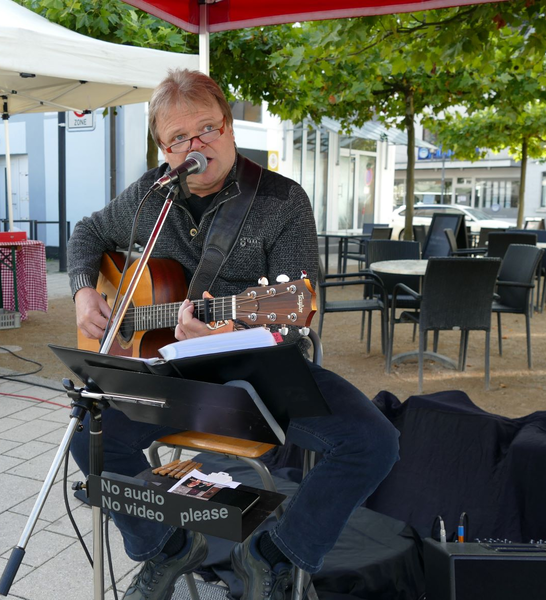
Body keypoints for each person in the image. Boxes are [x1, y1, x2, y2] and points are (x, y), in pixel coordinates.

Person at [67, 69, 399, 600]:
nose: (196, 145)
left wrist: (233, 327)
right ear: (164, 148)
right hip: (174, 374)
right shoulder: (150, 197)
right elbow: (87, 231)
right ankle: (167, 550)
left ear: (230, 128)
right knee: (91, 441)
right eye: (179, 138)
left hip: (260, 373)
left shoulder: (282, 201)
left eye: (208, 129)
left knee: (374, 442)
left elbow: (297, 310)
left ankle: (276, 555)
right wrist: (86, 290)